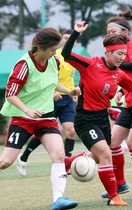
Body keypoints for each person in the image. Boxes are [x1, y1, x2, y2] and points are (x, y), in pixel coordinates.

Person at [61, 20, 132, 206]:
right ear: (108, 52)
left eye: (124, 54)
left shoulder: (118, 74)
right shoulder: (90, 64)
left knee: (97, 156)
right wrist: (76, 33)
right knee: (105, 154)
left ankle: (70, 161)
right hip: (85, 119)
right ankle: (114, 196)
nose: (122, 58)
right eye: (119, 54)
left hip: (102, 119)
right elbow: (65, 53)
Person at [0, 28, 79, 210]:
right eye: (52, 50)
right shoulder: (24, 65)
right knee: (5, 162)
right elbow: (10, 94)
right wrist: (27, 110)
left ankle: (58, 199)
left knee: (59, 155)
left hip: (47, 117)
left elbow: (53, 81)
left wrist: (69, 90)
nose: (55, 53)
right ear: (41, 47)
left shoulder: (55, 61)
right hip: (23, 119)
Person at [99, 6, 132, 201]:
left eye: (113, 32)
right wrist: (122, 90)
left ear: (125, 32)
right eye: (108, 33)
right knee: (113, 143)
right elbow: (129, 77)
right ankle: (120, 183)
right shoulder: (120, 48)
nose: (110, 35)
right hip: (130, 102)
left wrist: (117, 63)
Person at [17, 29, 78, 177]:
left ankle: (66, 164)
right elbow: (44, 79)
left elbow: (70, 79)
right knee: (44, 132)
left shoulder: (75, 59)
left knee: (70, 130)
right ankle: (23, 157)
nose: (66, 41)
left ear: (75, 42)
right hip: (49, 99)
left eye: (70, 39)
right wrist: (51, 92)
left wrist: (72, 92)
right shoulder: (52, 55)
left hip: (67, 100)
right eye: (64, 38)